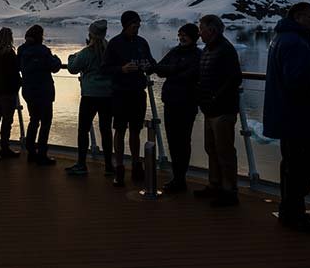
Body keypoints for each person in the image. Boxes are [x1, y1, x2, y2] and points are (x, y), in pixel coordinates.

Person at [263, 2, 310, 232]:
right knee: (302, 166)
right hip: (298, 117)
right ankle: (294, 215)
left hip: (287, 115)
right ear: (298, 17)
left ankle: (290, 210)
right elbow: (298, 82)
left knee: (291, 164)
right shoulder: (295, 43)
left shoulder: (283, 38)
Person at [192, 15, 243, 207]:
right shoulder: (210, 48)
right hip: (210, 109)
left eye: (202, 29)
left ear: (212, 30)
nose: (199, 33)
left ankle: (230, 191)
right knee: (211, 148)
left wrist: (215, 97)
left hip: (222, 110)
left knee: (224, 151)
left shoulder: (225, 50)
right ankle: (215, 184)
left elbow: (234, 78)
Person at [102, 10, 157, 186]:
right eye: (134, 25)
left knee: (135, 130)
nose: (137, 27)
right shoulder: (114, 44)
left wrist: (148, 66)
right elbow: (105, 68)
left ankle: (135, 165)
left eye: (138, 25)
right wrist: (122, 69)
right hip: (120, 93)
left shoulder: (142, 42)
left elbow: (151, 63)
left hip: (138, 93)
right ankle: (119, 167)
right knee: (119, 129)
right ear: (125, 25)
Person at [154, 23, 202, 193]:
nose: (181, 38)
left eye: (185, 35)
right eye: (180, 34)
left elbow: (190, 75)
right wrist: (176, 69)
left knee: (183, 141)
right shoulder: (175, 51)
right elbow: (159, 69)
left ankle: (180, 179)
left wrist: (171, 71)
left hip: (187, 103)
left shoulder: (198, 55)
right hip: (170, 102)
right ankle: (177, 178)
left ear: (194, 37)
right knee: (173, 141)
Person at [66, 20, 114, 176]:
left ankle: (81, 164)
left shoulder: (87, 53)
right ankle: (108, 165)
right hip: (107, 95)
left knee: (83, 130)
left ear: (91, 34)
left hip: (90, 96)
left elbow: (73, 68)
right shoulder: (110, 52)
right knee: (106, 130)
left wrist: (71, 56)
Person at [18, 24, 61, 165]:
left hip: (29, 90)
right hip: (44, 91)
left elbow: (18, 66)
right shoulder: (43, 51)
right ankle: (42, 153)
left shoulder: (22, 50)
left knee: (34, 119)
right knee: (46, 122)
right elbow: (55, 67)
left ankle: (31, 151)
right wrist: (56, 58)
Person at [0, 27, 21, 158]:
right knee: (7, 120)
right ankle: (5, 147)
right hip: (8, 91)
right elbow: (14, 71)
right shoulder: (10, 54)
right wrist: (18, 83)